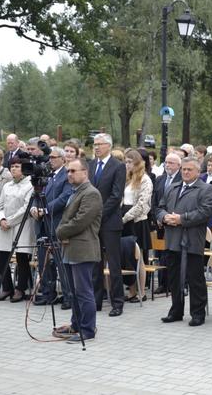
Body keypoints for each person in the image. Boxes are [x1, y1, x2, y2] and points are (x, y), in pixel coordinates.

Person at [158, 157, 212, 326]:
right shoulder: (172, 187)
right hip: (173, 239)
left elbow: (205, 212)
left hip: (192, 240)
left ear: (198, 172)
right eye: (183, 169)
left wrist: (181, 219)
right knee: (174, 277)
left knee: (195, 278)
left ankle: (198, 313)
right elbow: (159, 207)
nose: (185, 172)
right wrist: (164, 217)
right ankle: (176, 310)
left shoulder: (206, 189)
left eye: (190, 169)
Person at [53, 158, 103, 343]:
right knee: (73, 291)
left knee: (83, 291)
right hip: (70, 248)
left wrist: (59, 231)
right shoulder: (75, 192)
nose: (69, 174)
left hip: (82, 248)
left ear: (85, 172)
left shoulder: (91, 193)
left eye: (73, 171)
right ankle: (76, 324)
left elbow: (81, 221)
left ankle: (87, 329)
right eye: (68, 171)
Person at [89, 133, 126, 317]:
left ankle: (117, 302)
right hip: (92, 223)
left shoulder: (118, 166)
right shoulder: (91, 165)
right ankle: (95, 301)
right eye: (94, 144)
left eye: (99, 144)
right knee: (95, 262)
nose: (96, 147)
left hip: (109, 222)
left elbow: (116, 195)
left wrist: (99, 214)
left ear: (108, 146)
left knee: (113, 264)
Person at [31, 147, 72, 307]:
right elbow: (37, 193)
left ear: (63, 159)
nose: (51, 160)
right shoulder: (47, 174)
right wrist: (35, 207)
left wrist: (45, 210)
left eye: (54, 157)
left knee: (61, 263)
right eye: (50, 157)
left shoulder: (66, 175)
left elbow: (64, 198)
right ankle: (48, 293)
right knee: (43, 262)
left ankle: (68, 296)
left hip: (56, 223)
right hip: (42, 224)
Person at [0, 158, 35, 302]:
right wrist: (1, 220)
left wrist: (10, 221)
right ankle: (6, 287)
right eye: (12, 166)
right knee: (0, 255)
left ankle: (20, 288)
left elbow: (26, 208)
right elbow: (0, 206)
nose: (14, 169)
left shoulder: (30, 185)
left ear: (23, 168)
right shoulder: (7, 185)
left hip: (22, 225)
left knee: (21, 257)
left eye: (17, 166)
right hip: (5, 225)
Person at [122, 149, 153, 303]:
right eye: (125, 162)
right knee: (127, 257)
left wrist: (126, 217)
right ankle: (131, 291)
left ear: (137, 163)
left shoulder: (145, 179)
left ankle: (141, 291)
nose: (127, 165)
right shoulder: (127, 178)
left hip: (137, 220)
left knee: (138, 257)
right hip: (124, 218)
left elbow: (142, 204)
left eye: (130, 162)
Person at [152, 152, 182, 294]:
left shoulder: (182, 178)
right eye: (166, 162)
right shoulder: (160, 179)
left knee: (175, 255)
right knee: (161, 253)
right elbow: (155, 200)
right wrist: (158, 217)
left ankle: (178, 284)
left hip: (176, 222)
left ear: (178, 165)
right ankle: (163, 283)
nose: (167, 165)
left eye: (171, 163)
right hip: (160, 222)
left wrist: (170, 217)